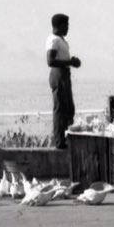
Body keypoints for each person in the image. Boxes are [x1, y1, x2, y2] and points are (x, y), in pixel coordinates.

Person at [46, 13, 81, 149]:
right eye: (66, 25)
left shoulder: (61, 40)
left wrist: (72, 62)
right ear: (59, 26)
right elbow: (50, 61)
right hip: (58, 74)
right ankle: (60, 141)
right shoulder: (53, 40)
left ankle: (66, 137)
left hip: (64, 73)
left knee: (68, 108)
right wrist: (69, 62)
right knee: (60, 107)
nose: (67, 28)